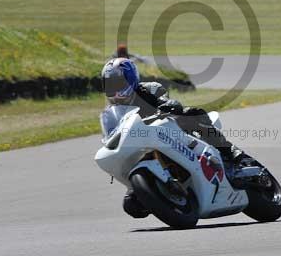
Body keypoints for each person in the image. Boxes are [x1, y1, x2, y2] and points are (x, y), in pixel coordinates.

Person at [100, 57, 248, 218]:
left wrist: (168, 105)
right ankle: (163, 195)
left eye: (118, 84)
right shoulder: (111, 113)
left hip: (170, 131)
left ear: (131, 80)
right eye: (110, 85)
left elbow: (166, 100)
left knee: (194, 115)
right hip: (142, 147)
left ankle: (232, 153)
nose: (115, 90)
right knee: (131, 205)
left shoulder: (149, 89)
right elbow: (111, 134)